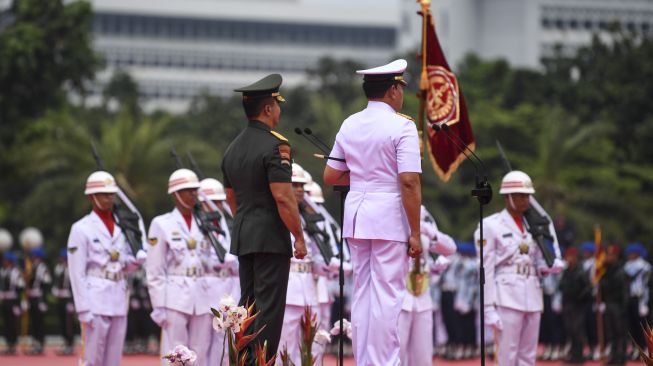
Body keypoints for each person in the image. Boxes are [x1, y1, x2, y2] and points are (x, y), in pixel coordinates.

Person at [323, 59, 422, 365]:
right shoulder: (402, 125)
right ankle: (383, 362)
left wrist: (364, 175)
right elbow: (408, 181)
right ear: (393, 90)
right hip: (388, 218)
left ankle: (366, 360)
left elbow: (331, 175)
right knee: (388, 296)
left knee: (363, 294)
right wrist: (416, 231)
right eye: (400, 88)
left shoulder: (350, 123)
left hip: (357, 216)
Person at [221, 74, 307, 363]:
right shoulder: (275, 146)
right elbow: (283, 196)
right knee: (268, 314)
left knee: (248, 310)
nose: (279, 111)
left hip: (245, 235)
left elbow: (231, 198)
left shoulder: (232, 148)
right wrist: (299, 236)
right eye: (277, 105)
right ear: (268, 109)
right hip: (270, 237)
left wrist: (248, 222)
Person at [67, 171, 147, 366]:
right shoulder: (81, 228)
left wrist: (135, 261)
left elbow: (123, 263)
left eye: (111, 193)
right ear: (91, 196)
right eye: (104, 193)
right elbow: (76, 273)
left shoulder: (122, 227)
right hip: (94, 300)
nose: (109, 197)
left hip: (118, 297)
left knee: (113, 359)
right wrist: (83, 308)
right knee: (92, 358)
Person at [475, 170, 553, 366]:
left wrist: (548, 266)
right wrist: (487, 307)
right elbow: (486, 269)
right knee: (506, 356)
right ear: (507, 196)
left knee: (528, 356)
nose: (524, 200)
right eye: (519, 195)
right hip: (506, 297)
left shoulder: (533, 226)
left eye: (527, 195)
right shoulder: (491, 225)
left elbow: (533, 259)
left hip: (533, 294)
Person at [146, 168, 214, 366]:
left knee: (200, 351)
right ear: (175, 194)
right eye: (188, 190)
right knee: (174, 352)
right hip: (174, 297)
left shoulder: (204, 223)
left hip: (201, 295)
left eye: (195, 189)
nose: (194, 193)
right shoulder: (161, 224)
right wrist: (158, 305)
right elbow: (155, 270)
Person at [277, 163, 329, 365]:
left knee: (312, 348)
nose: (300, 190)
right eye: (295, 185)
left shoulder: (309, 220)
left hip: (309, 289)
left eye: (302, 186)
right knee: (285, 348)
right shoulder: (277, 216)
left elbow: (314, 256)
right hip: (287, 290)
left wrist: (325, 265)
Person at [398, 205, 456, 365]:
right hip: (399, 298)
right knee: (397, 351)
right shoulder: (394, 213)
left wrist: (430, 232)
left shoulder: (421, 212)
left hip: (422, 296)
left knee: (423, 354)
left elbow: (451, 248)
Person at [198, 177, 241, 365]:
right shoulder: (198, 226)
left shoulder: (229, 224)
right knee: (201, 342)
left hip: (229, 288)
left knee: (224, 342)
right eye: (213, 202)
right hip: (206, 288)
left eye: (219, 202)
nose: (217, 206)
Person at [560, 246, 592, 364]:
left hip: (578, 305)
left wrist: (580, 298)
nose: (568, 259)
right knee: (570, 330)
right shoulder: (567, 271)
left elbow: (587, 289)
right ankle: (573, 354)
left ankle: (579, 355)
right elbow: (561, 286)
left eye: (570, 257)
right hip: (568, 304)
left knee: (577, 330)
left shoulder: (581, 271)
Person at [601, 245, 628, 365]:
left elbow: (624, 291)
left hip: (618, 305)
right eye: (608, 254)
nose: (608, 257)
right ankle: (613, 356)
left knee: (619, 333)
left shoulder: (621, 270)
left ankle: (621, 357)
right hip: (609, 303)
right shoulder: (606, 270)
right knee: (611, 332)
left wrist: (623, 308)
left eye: (611, 255)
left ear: (616, 256)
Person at [623, 242, 651, 360]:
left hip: (641, 299)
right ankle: (636, 348)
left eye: (631, 253)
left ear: (637, 254)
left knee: (643, 326)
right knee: (632, 325)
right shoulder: (627, 266)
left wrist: (644, 302)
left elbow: (646, 286)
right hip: (630, 298)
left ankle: (646, 348)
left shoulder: (645, 267)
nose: (629, 256)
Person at [25, 246, 52, 354]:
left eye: (33, 255)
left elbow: (45, 285)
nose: (32, 257)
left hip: (39, 298)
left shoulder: (42, 268)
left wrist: (43, 301)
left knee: (39, 323)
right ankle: (35, 342)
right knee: (34, 322)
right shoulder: (32, 267)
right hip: (32, 297)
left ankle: (40, 344)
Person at [52, 248, 75, 355]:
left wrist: (72, 302)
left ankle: (70, 344)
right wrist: (55, 289)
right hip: (60, 298)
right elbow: (56, 281)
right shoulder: (59, 268)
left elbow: (74, 287)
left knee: (68, 323)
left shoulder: (72, 269)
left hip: (68, 298)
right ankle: (64, 341)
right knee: (61, 321)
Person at [0, 251, 24, 355]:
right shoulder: (3, 271)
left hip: (13, 301)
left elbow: (20, 289)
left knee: (13, 324)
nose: (4, 262)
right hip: (5, 300)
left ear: (10, 261)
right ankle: (8, 343)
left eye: (5, 260)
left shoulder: (16, 272)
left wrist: (17, 305)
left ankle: (13, 344)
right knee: (6, 324)